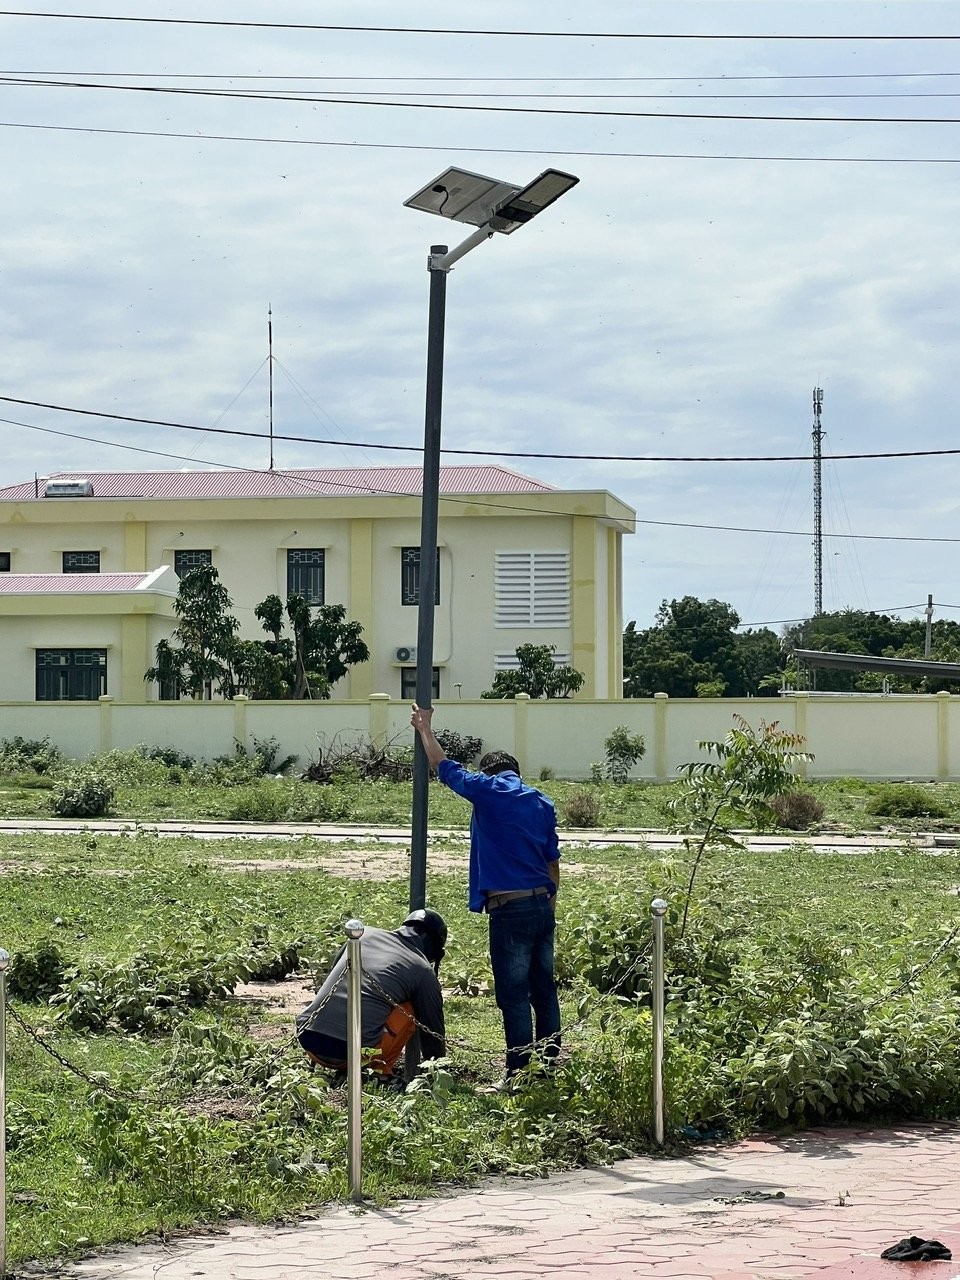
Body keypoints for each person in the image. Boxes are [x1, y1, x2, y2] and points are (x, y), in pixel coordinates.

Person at [410, 704, 561, 1080]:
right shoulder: (541, 801)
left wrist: (425, 728)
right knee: (544, 991)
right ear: (518, 774)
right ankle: (547, 1067)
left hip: (509, 909)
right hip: (542, 902)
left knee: (512, 995)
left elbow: (444, 768)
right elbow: (552, 861)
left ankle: (519, 1073)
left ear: (488, 772)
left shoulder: (488, 790)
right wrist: (549, 903)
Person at [295, 908, 447, 1080]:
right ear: (433, 947)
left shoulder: (363, 934)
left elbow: (334, 973)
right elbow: (432, 1029)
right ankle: (379, 1073)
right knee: (411, 1008)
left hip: (308, 1039)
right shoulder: (422, 968)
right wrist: (438, 1070)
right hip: (355, 1055)